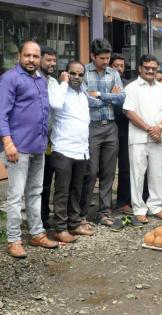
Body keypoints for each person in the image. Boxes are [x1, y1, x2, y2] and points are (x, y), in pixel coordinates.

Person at [0, 41, 58, 258]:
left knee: (35, 192)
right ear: (20, 57)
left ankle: (36, 233)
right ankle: (13, 240)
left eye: (35, 56)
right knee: (15, 196)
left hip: (38, 147)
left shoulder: (41, 80)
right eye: (28, 55)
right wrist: (7, 142)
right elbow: (1, 113)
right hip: (17, 148)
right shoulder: (9, 79)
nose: (31, 60)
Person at [123, 54, 162, 225]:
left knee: (156, 174)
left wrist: (159, 128)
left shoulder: (161, 88)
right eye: (147, 68)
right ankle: (139, 209)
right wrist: (149, 129)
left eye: (154, 68)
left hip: (158, 138)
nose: (151, 71)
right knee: (137, 175)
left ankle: (156, 207)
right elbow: (129, 112)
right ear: (140, 68)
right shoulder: (131, 88)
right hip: (138, 138)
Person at [80, 38, 125, 227]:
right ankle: (81, 213)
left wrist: (99, 95)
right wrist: (109, 97)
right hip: (92, 127)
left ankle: (104, 212)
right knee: (90, 171)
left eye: (107, 58)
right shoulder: (83, 72)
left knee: (108, 171)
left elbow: (122, 98)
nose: (106, 61)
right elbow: (83, 99)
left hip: (110, 127)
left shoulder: (113, 73)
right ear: (92, 56)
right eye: (102, 58)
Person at [49, 61, 94, 243]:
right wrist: (64, 82)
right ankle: (60, 228)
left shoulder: (82, 94)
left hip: (81, 149)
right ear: (65, 73)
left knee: (76, 189)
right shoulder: (59, 90)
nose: (76, 77)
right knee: (62, 190)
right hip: (63, 148)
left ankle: (74, 224)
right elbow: (55, 104)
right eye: (72, 73)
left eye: (80, 74)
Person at [39, 46, 59, 229]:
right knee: (36, 184)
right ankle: (36, 219)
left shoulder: (54, 82)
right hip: (34, 141)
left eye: (54, 60)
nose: (52, 63)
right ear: (40, 60)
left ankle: (44, 218)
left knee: (47, 182)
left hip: (52, 141)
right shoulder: (32, 79)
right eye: (48, 60)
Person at [110, 53, 132, 215]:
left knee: (125, 168)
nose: (119, 69)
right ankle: (105, 204)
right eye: (116, 65)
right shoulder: (103, 84)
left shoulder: (128, 86)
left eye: (121, 66)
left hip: (125, 131)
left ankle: (123, 202)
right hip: (107, 131)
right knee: (107, 170)